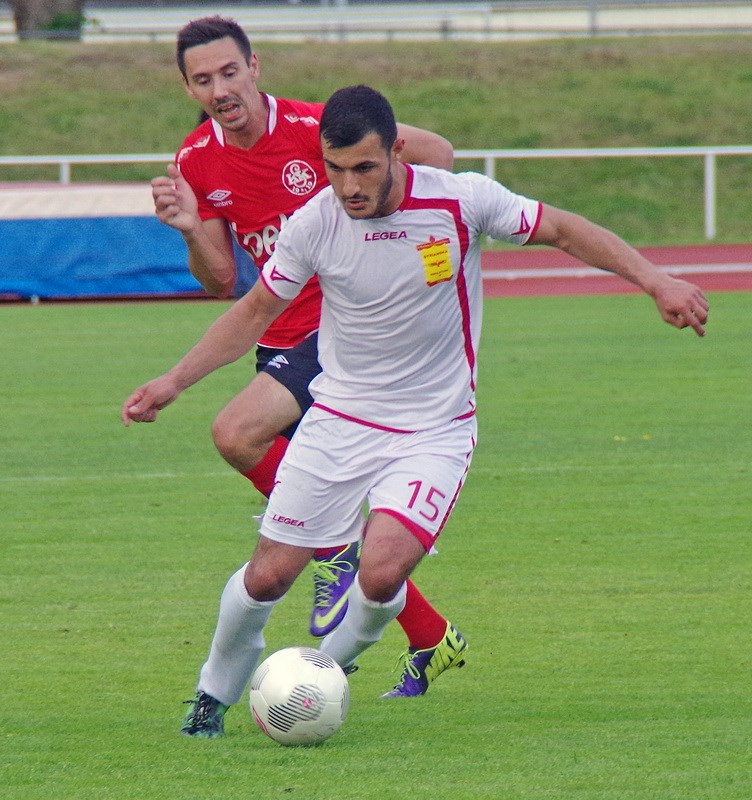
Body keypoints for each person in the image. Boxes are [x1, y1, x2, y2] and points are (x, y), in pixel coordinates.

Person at [125, 84, 708, 738]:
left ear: (396, 150)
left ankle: (322, 674)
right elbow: (255, 310)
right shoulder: (315, 222)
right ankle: (211, 694)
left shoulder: (461, 200)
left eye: (364, 167)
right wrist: (175, 381)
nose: (349, 186)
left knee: (380, 573)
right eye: (334, 168)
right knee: (268, 576)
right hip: (339, 420)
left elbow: (565, 230)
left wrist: (657, 280)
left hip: (433, 429)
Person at [149, 17, 467, 733]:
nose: (220, 89)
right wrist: (191, 228)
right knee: (302, 535)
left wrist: (411, 233)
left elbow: (438, 153)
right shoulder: (195, 161)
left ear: (254, 67)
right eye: (203, 80)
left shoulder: (315, 128)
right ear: (188, 88)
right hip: (277, 338)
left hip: (341, 333)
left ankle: (336, 557)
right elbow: (221, 279)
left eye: (230, 72)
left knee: (236, 432)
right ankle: (428, 635)